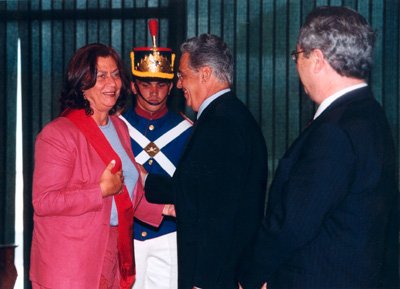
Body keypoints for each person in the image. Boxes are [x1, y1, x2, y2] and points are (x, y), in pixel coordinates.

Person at [238, 6, 398, 289]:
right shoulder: (371, 115)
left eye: (297, 55)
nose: (296, 65)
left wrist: (250, 276)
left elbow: (292, 223)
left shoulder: (334, 131)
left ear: (317, 59)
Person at [30, 43, 162, 289]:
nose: (111, 83)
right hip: (70, 264)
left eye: (115, 74)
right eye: (101, 76)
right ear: (82, 83)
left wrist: (167, 209)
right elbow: (44, 201)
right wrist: (99, 190)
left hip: (113, 253)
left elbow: (126, 192)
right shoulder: (58, 133)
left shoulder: (119, 127)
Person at [141, 34, 268, 289]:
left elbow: (218, 214)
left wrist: (202, 281)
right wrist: (147, 182)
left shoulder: (221, 124)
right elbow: (199, 190)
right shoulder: (230, 115)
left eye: (182, 75)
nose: (178, 85)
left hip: (215, 277)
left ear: (205, 74)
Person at [119, 19, 193, 289]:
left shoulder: (189, 130)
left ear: (172, 86)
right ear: (133, 85)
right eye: (146, 82)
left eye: (161, 84)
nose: (153, 90)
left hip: (169, 236)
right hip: (125, 234)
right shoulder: (116, 126)